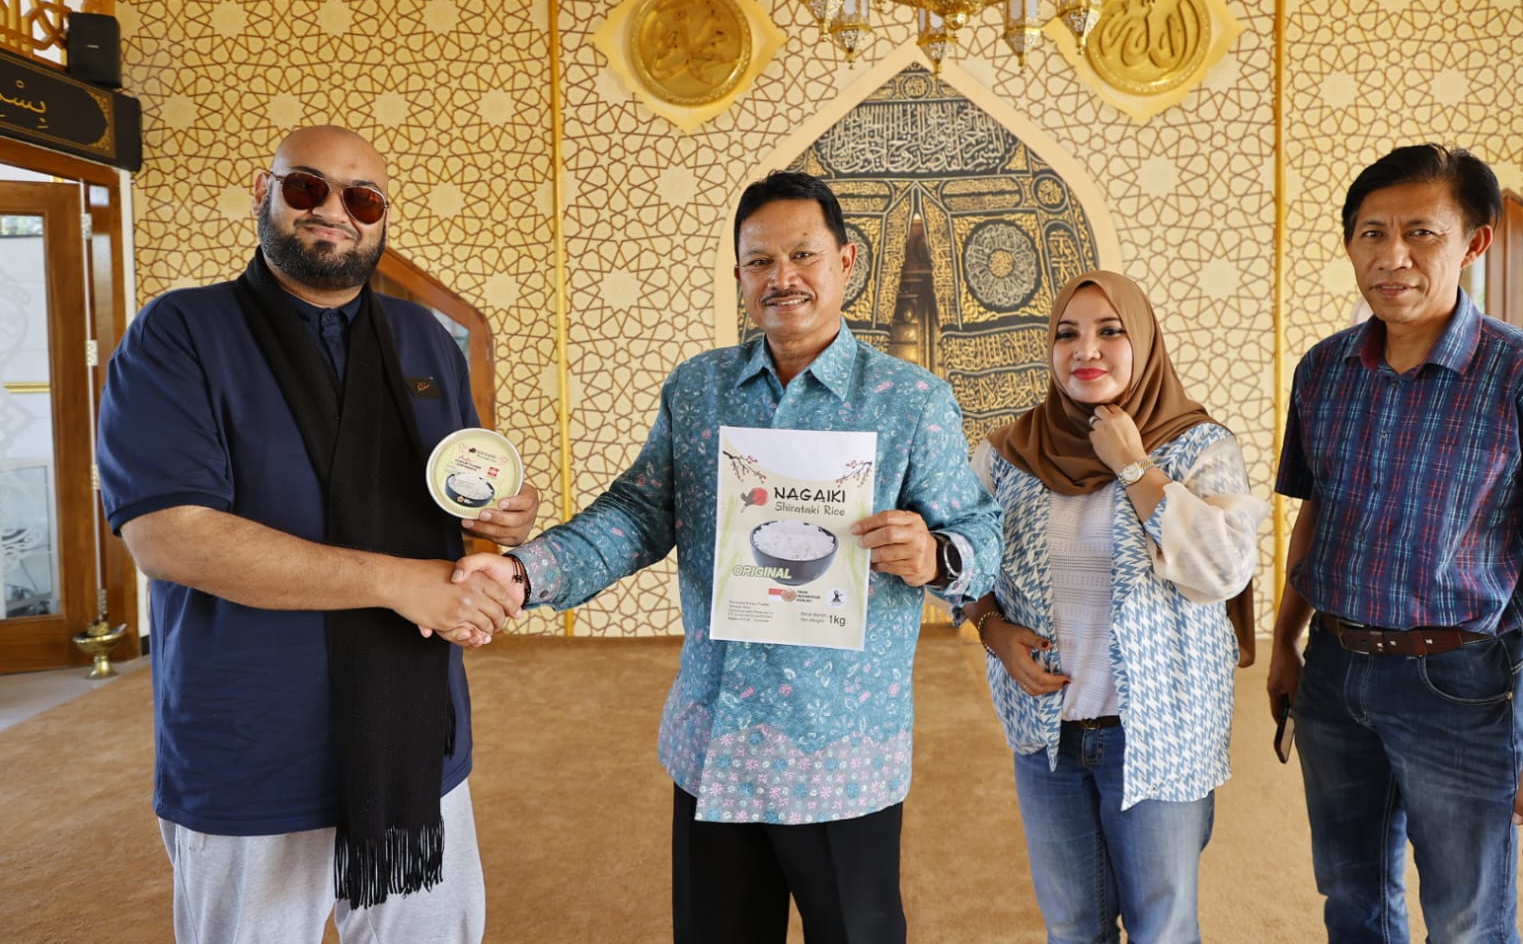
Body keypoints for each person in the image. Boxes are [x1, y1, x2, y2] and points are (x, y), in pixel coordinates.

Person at [456, 169, 1003, 944]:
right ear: (740, 274)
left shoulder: (909, 401)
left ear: (846, 262)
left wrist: (933, 554)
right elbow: (637, 515)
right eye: (759, 261)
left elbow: (980, 537)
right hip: (716, 739)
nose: (782, 278)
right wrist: (524, 571)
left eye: (803, 255)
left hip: (838, 753)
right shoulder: (698, 389)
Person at [96, 126, 538, 943]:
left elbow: (457, 489)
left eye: (362, 198)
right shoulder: (180, 332)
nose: (334, 210)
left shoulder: (424, 340)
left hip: (412, 733)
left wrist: (500, 517)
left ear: (382, 218)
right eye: (307, 187)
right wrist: (396, 582)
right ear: (262, 193)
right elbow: (170, 537)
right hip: (251, 738)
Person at [1269, 143, 1523, 942]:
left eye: (1420, 233)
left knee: (1465, 920)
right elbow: (1315, 516)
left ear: (1472, 242)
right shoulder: (1323, 370)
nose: (1392, 257)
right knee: (1350, 900)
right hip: (1334, 672)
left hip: (1459, 684)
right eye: (1371, 233)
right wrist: (1284, 641)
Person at [961, 270, 1265, 944]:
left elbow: (1222, 570)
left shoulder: (1197, 446)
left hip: (1159, 729)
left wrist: (1133, 467)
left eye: (1109, 331)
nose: (1085, 349)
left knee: (1161, 928)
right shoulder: (1008, 453)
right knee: (1072, 926)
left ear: (1144, 341)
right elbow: (962, 561)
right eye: (1066, 334)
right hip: (1048, 732)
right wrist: (992, 630)